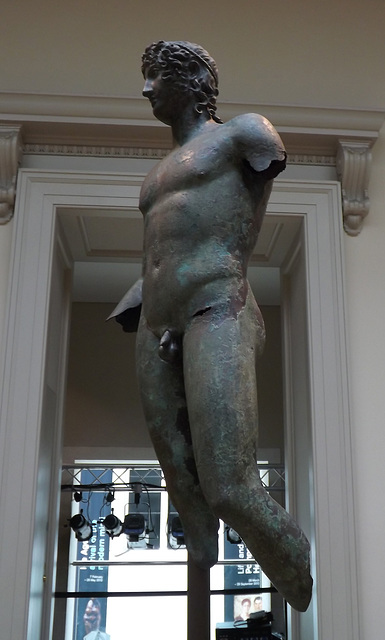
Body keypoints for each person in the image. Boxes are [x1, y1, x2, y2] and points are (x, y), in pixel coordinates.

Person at [110, 40, 312, 612]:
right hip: (156, 317)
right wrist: (140, 296)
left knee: (230, 485)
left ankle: (299, 577)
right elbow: (165, 244)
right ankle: (202, 570)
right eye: (145, 77)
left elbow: (262, 170)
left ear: (195, 78)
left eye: (157, 77)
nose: (147, 89)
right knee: (184, 486)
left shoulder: (242, 133)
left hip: (217, 305)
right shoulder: (157, 172)